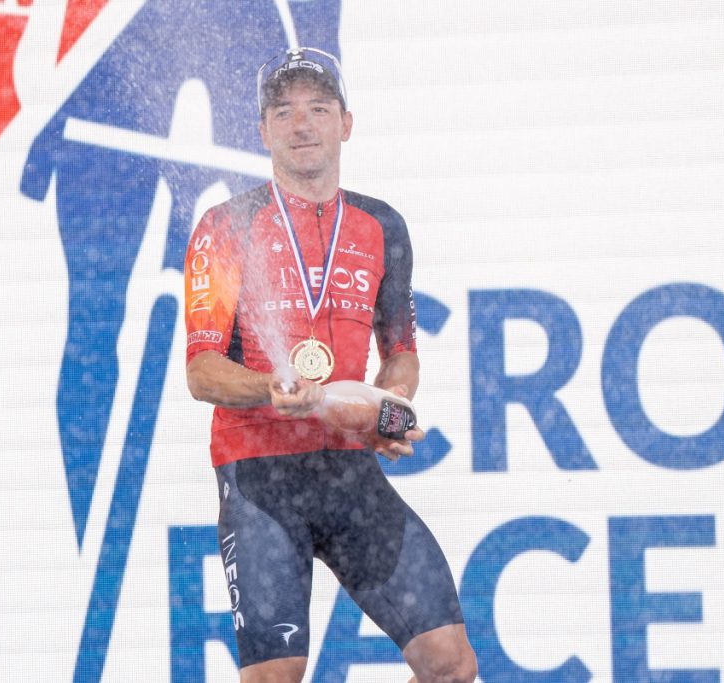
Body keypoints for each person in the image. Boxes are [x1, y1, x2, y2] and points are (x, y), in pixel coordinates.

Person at [184, 47, 477, 683]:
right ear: (262, 131)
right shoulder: (226, 225)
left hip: (347, 472)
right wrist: (270, 386)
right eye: (283, 112)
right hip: (261, 478)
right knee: (276, 677)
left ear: (346, 123)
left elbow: (401, 354)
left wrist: (387, 410)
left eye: (318, 108)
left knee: (451, 664)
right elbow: (201, 371)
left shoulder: (382, 225)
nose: (301, 124)